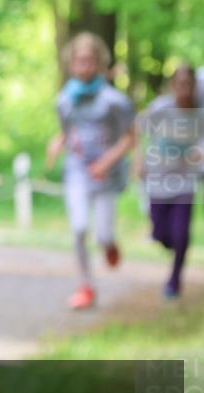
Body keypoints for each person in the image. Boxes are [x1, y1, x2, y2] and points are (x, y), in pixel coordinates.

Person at [46, 32, 136, 310]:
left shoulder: (114, 101)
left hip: (107, 176)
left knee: (102, 235)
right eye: (79, 61)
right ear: (71, 64)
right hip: (77, 171)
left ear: (100, 64)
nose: (84, 66)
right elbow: (67, 131)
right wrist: (57, 142)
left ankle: (110, 245)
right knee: (79, 228)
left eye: (90, 61)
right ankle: (86, 287)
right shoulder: (64, 100)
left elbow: (131, 137)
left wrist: (107, 162)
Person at [136, 64, 201, 301]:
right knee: (161, 234)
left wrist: (198, 154)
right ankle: (171, 243)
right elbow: (138, 131)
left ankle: (174, 281)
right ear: (173, 86)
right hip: (158, 180)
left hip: (184, 182)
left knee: (181, 235)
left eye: (189, 84)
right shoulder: (161, 108)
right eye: (180, 84)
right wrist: (139, 160)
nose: (184, 89)